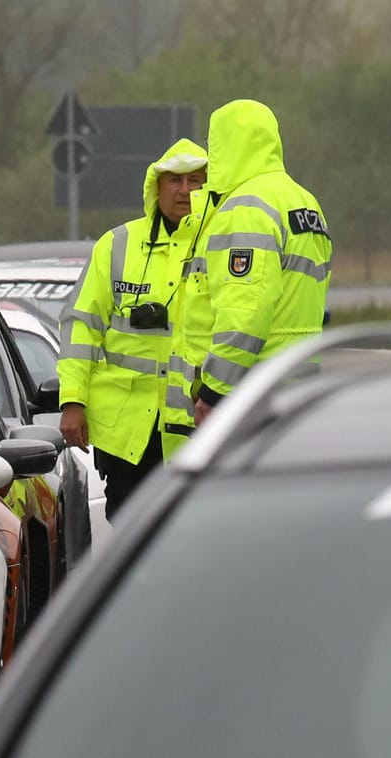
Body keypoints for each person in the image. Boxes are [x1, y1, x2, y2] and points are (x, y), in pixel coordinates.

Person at [164, 99, 331, 446]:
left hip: (247, 395)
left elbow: (245, 313)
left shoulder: (245, 207)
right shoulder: (305, 202)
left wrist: (213, 392)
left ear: (225, 144)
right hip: (297, 383)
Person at [58, 138, 207, 516]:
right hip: (127, 434)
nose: (185, 190)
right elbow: (81, 325)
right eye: (174, 180)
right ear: (156, 187)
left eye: (196, 180)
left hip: (198, 425)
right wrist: (73, 401)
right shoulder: (117, 245)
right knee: (130, 538)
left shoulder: (221, 245)